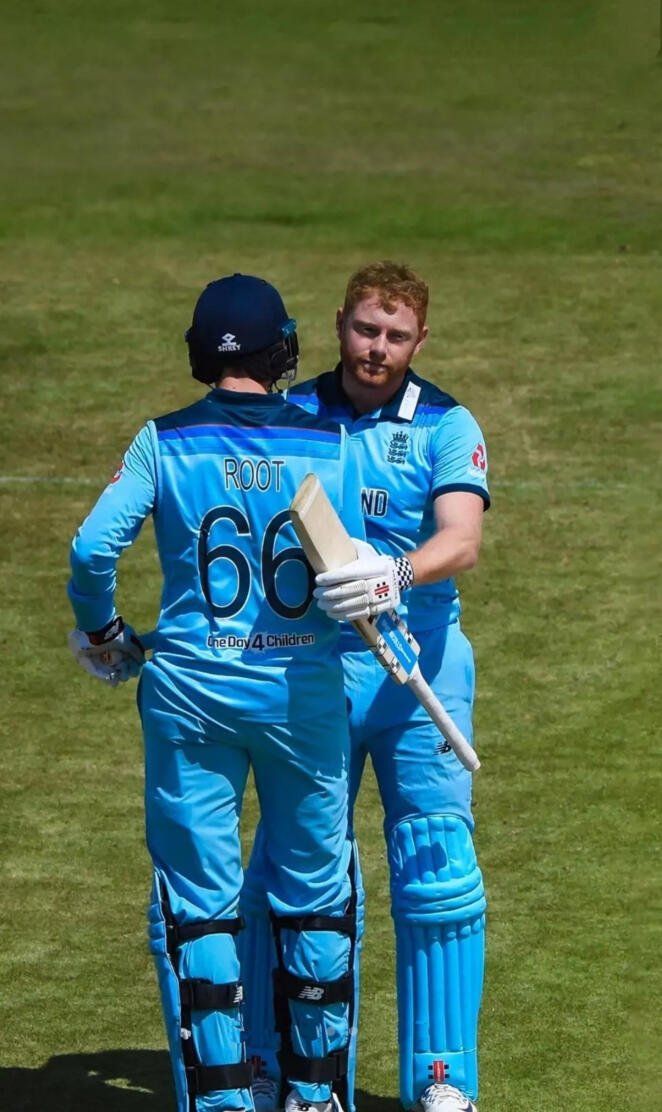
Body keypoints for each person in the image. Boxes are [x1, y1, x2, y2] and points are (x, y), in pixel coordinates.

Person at [66, 274, 365, 1112]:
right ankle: (314, 1096)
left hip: (190, 695)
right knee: (316, 900)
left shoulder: (160, 443)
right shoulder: (330, 446)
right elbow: (361, 575)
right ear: (285, 351)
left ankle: (223, 1101)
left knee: (201, 907)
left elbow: (93, 551)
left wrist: (103, 632)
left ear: (201, 354)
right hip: (302, 701)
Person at [239, 262, 490, 1112]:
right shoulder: (291, 415)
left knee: (436, 867)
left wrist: (395, 574)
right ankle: (278, 1066)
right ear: (339, 324)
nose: (376, 350)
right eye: (363, 330)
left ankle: (441, 1078)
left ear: (420, 341)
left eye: (395, 336)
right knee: (294, 867)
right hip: (311, 672)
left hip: (420, 665)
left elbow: (461, 539)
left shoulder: (448, 424)